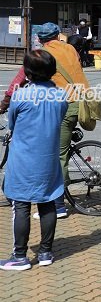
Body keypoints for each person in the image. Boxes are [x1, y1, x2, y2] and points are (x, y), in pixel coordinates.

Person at [0, 22, 89, 218]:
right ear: (58, 36)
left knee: (57, 154)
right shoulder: (70, 49)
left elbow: (19, 81)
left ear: (39, 39)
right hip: (78, 100)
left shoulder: (42, 56)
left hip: (63, 102)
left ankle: (57, 206)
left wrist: (5, 103)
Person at [1, 50, 69, 270]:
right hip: (48, 160)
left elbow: (12, 123)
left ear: (28, 72)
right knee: (47, 202)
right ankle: (46, 252)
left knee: (21, 205)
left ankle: (20, 256)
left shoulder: (21, 95)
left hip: (23, 160)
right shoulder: (60, 96)